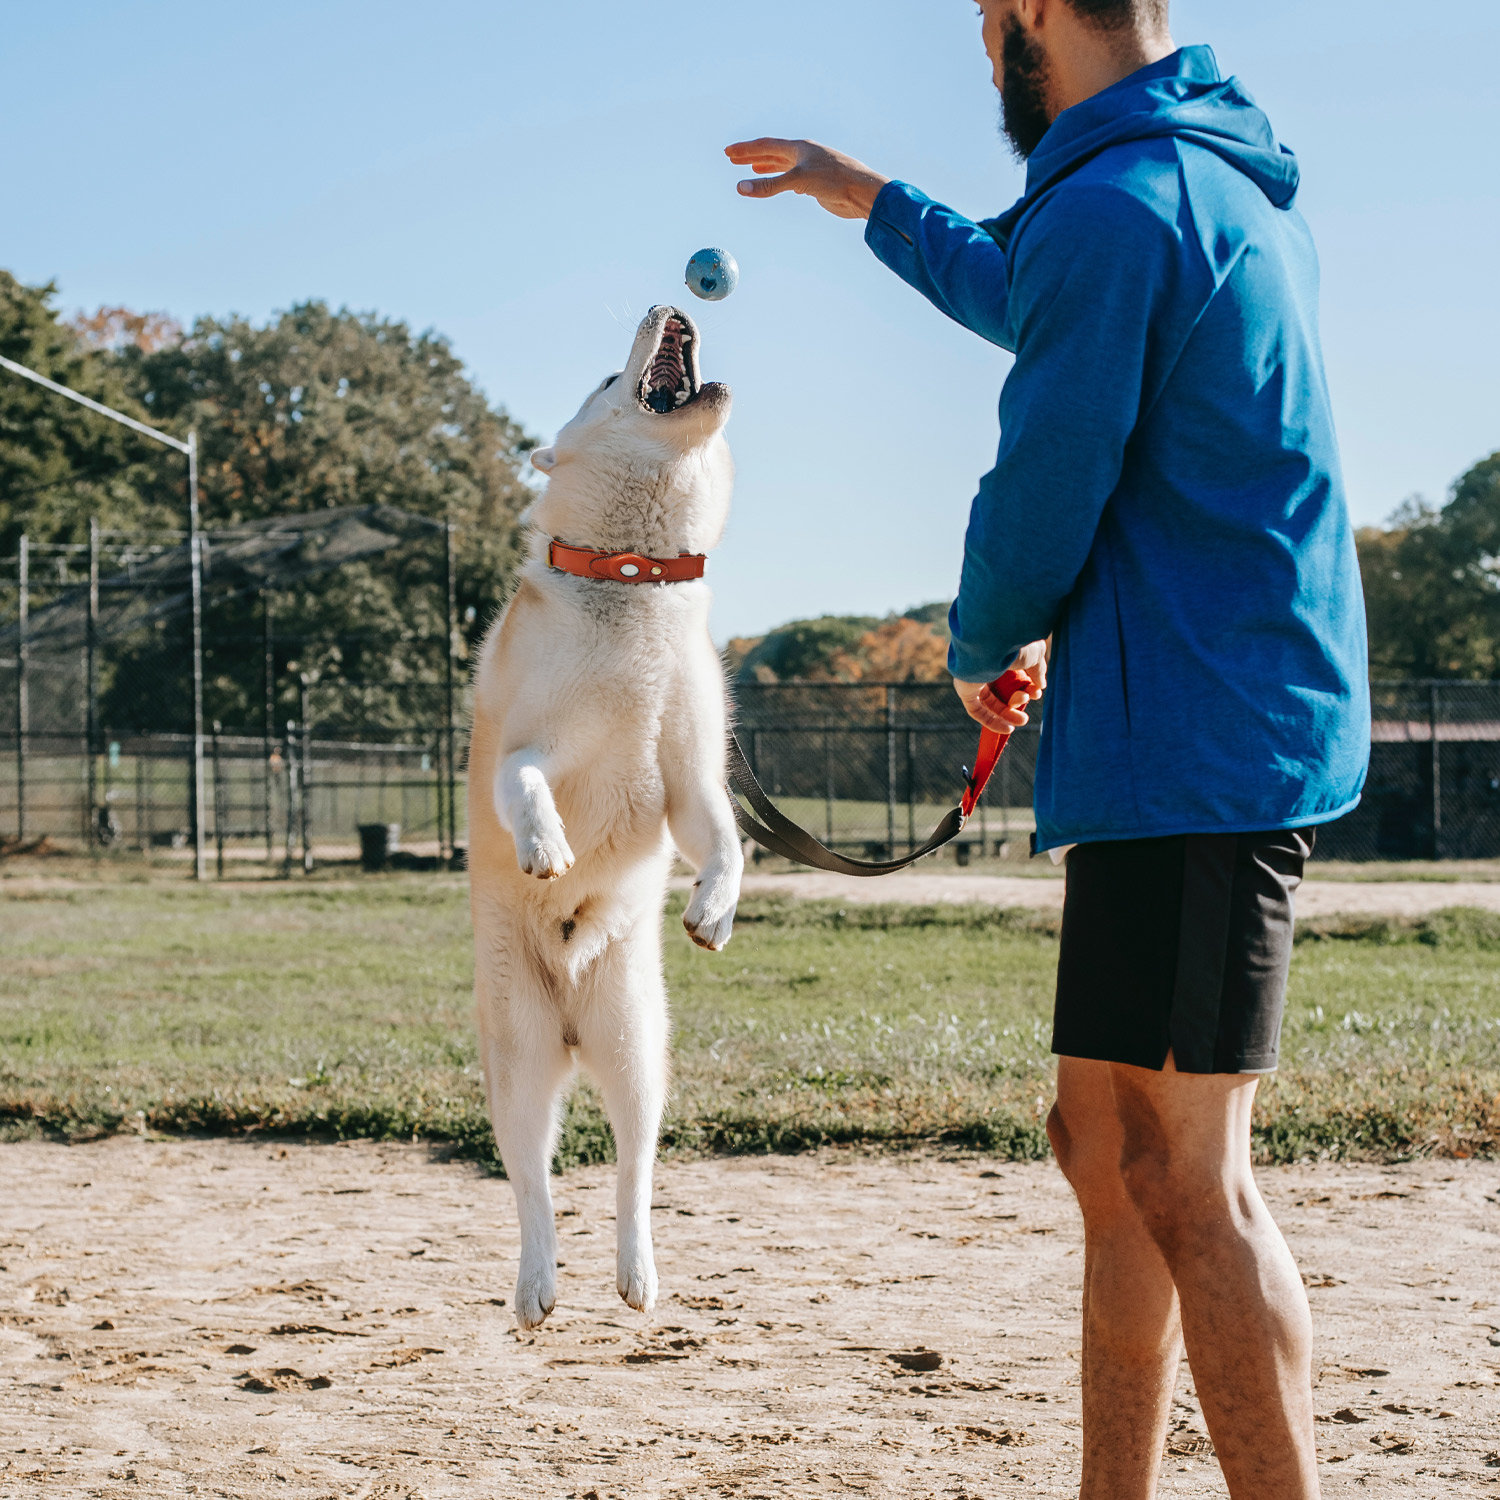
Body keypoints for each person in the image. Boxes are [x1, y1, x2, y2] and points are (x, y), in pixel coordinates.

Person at [727, 1, 1369, 1495]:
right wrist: (863, 193)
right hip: (1178, 731)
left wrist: (981, 635)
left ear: (1027, 12)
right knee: (1103, 1145)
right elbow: (1033, 282)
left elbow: (1044, 481)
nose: (978, 45)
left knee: (1188, 1178)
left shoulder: (1127, 204)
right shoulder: (1177, 180)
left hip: (1205, 743)